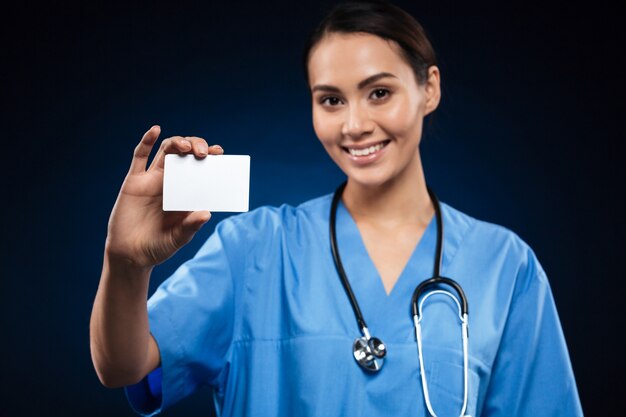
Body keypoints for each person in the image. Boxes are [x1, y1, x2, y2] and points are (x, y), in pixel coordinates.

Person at [90, 1, 583, 416]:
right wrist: (127, 264)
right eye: (330, 100)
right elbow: (123, 367)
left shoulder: (505, 265)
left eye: (379, 93)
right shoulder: (256, 249)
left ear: (428, 88)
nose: (354, 124)